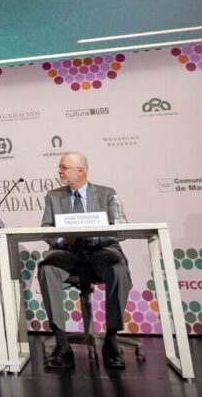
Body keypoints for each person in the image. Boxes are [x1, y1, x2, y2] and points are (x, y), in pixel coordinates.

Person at [37, 151, 131, 370]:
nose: (59, 171)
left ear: (80, 171)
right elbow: (46, 229)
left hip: (100, 250)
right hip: (68, 252)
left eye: (63, 167)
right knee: (46, 268)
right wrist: (62, 240)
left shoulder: (107, 194)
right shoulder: (53, 196)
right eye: (59, 167)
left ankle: (111, 342)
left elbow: (120, 229)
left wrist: (94, 237)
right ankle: (62, 345)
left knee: (119, 269)